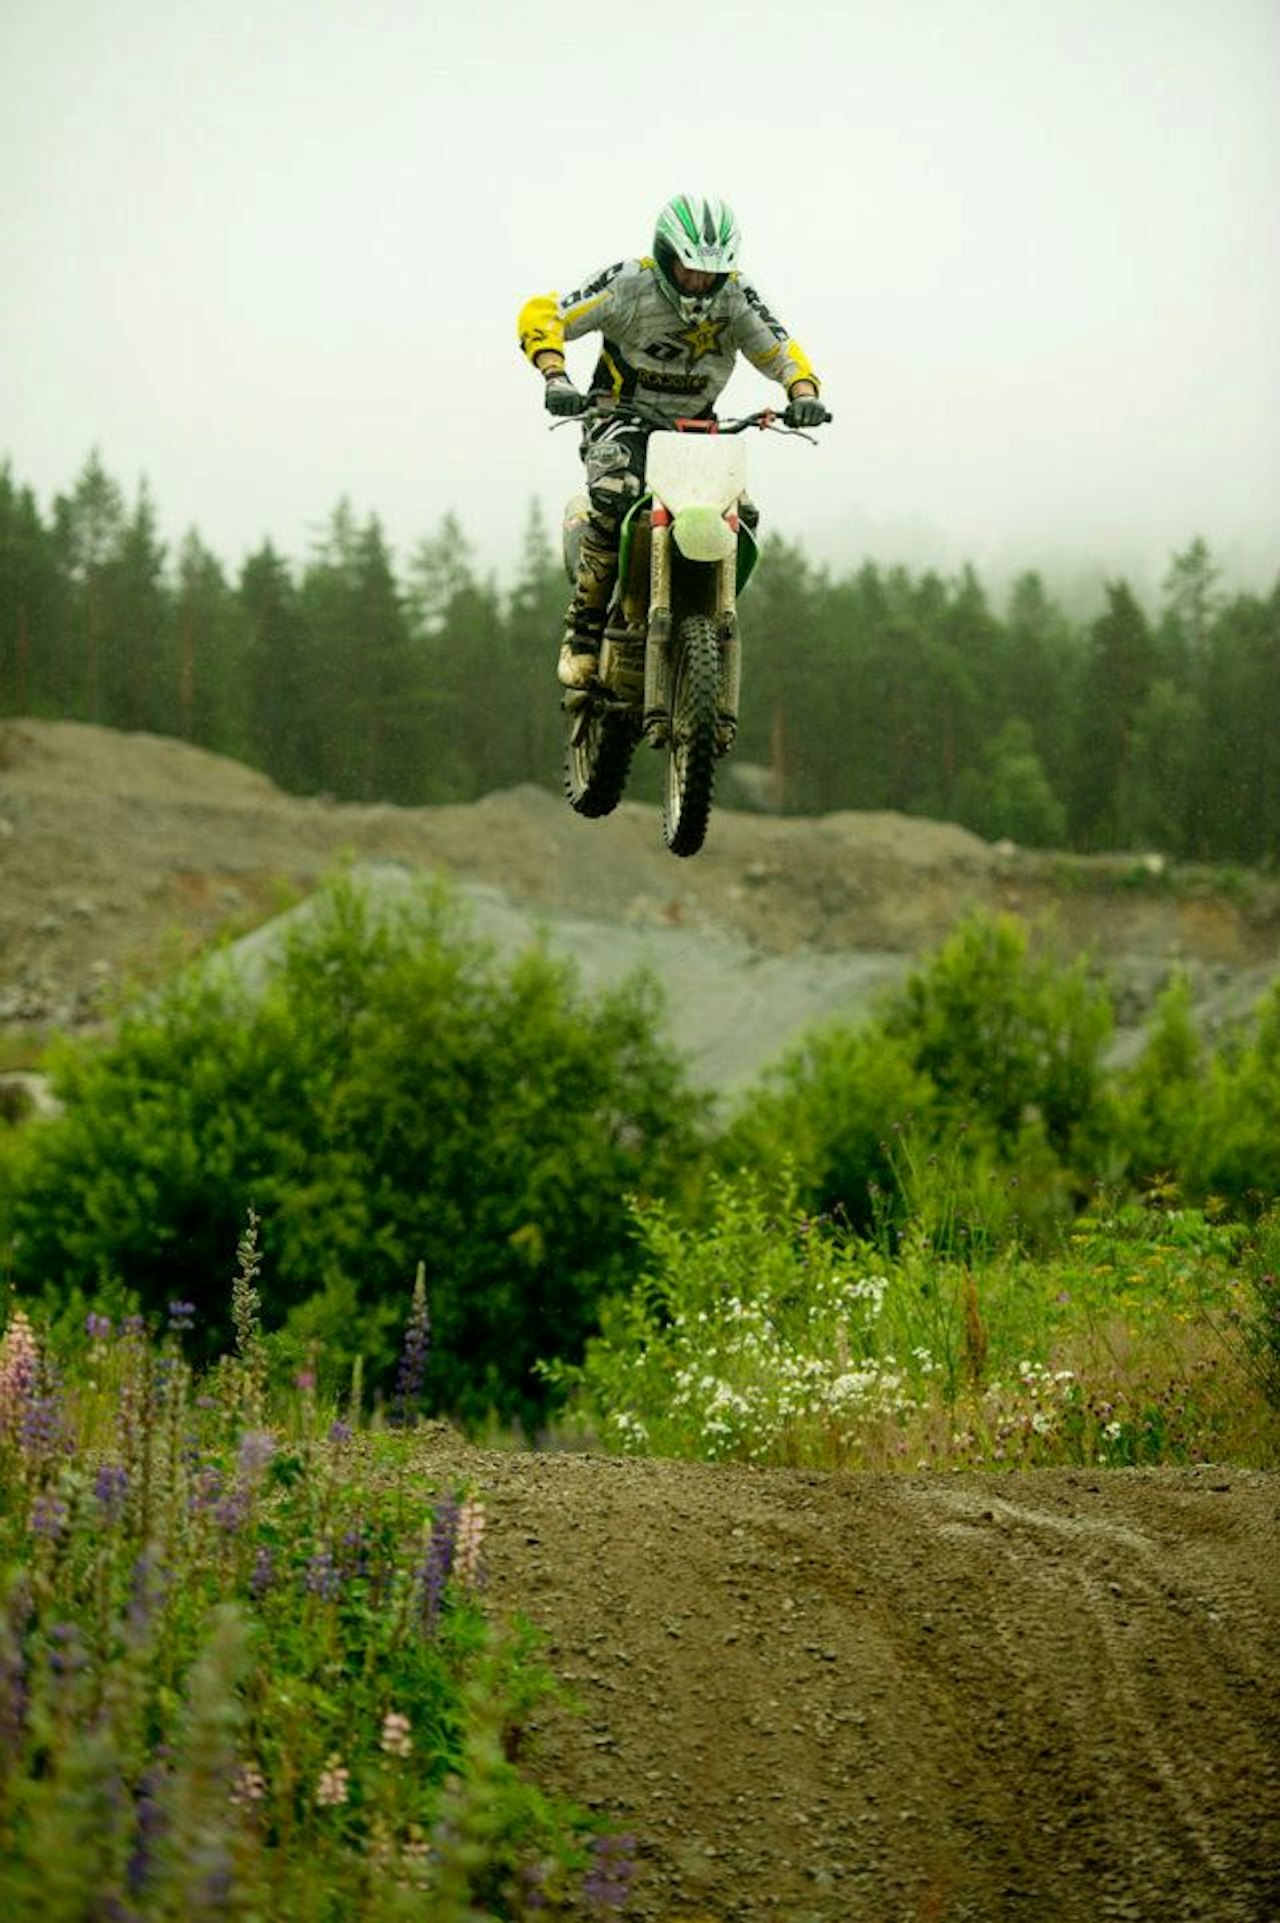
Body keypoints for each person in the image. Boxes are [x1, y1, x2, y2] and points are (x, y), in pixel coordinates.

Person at [518, 193, 827, 688]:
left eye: (710, 274)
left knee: (741, 513)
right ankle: (583, 628)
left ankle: (699, 610)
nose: (699, 283)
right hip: (618, 415)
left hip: (695, 428)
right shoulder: (628, 283)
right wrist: (555, 375)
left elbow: (780, 348)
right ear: (665, 255)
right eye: (688, 270)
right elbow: (546, 313)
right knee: (616, 494)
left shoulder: (736, 297)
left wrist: (803, 391)